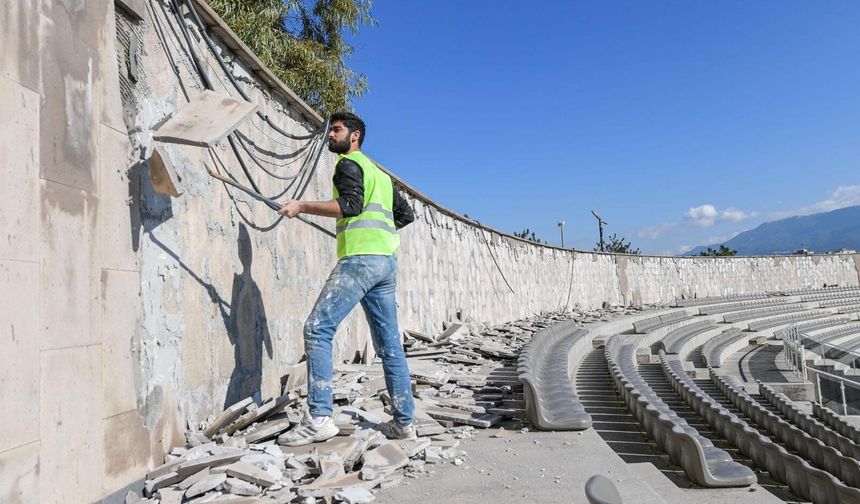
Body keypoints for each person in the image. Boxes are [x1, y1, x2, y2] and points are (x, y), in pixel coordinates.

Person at [277, 112, 417, 446]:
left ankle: (321, 418)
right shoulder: (380, 175)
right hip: (385, 263)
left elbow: (350, 206)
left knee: (317, 328)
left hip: (360, 261)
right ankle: (404, 422)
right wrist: (378, 239)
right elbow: (405, 215)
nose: (330, 136)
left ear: (354, 136)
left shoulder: (348, 165)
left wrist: (301, 206)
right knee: (389, 345)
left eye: (336, 130)